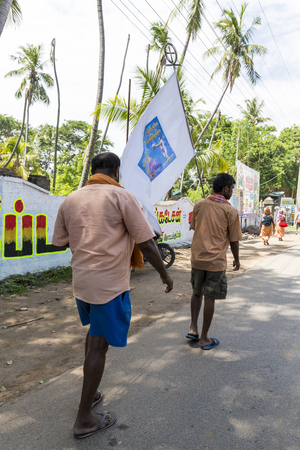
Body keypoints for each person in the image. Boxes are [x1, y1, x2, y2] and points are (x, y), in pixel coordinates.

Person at [52, 152, 173, 439]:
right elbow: (146, 242)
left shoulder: (70, 199)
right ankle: (84, 420)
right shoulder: (122, 197)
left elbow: (60, 242)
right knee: (98, 346)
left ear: (93, 170)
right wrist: (164, 274)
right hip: (109, 285)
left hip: (82, 282)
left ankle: (90, 394)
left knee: (94, 336)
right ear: (116, 171)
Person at [186, 173, 242, 350]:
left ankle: (193, 328)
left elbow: (195, 227)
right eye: (231, 188)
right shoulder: (230, 211)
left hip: (197, 259)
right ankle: (204, 338)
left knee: (196, 293)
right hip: (216, 262)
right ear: (225, 188)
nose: (232, 192)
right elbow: (234, 240)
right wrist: (237, 260)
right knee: (210, 297)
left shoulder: (200, 204)